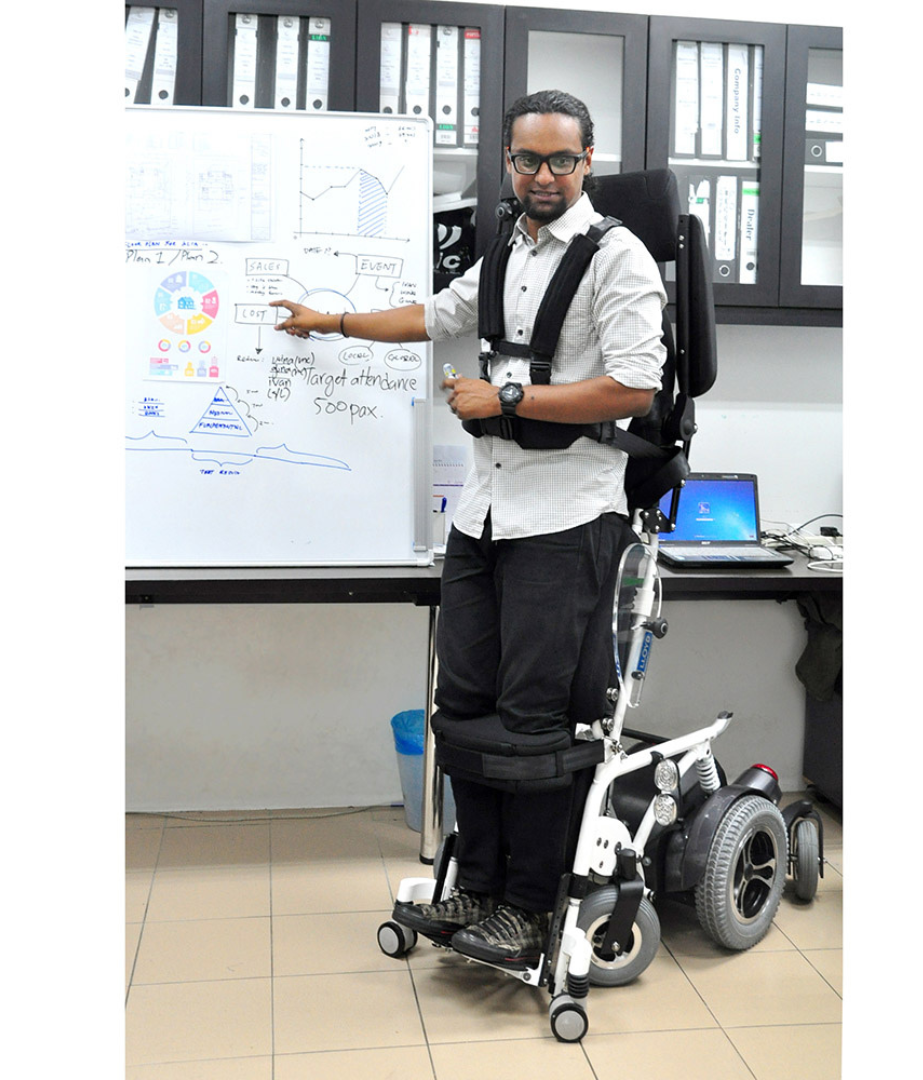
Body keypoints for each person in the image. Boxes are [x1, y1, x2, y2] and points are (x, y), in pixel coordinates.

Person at [270, 89, 666, 969]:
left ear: (588, 161)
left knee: (529, 725)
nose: (543, 175)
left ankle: (529, 905)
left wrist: (510, 398)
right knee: (463, 711)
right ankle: (476, 889)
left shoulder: (619, 258)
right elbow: (431, 317)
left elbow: (634, 387)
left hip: (566, 520)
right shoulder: (503, 250)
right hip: (483, 518)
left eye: (561, 159)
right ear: (509, 162)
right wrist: (330, 320)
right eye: (527, 159)